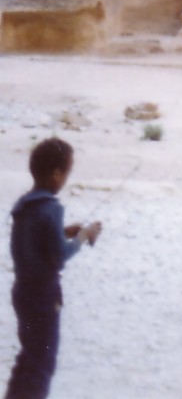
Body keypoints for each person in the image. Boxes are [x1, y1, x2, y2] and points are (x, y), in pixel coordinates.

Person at [4, 136, 102, 399]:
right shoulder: (51, 208)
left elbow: (34, 242)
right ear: (56, 173)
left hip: (22, 292)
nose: (66, 178)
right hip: (43, 296)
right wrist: (83, 236)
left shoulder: (24, 205)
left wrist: (63, 232)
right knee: (42, 364)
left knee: (28, 357)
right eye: (67, 172)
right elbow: (59, 257)